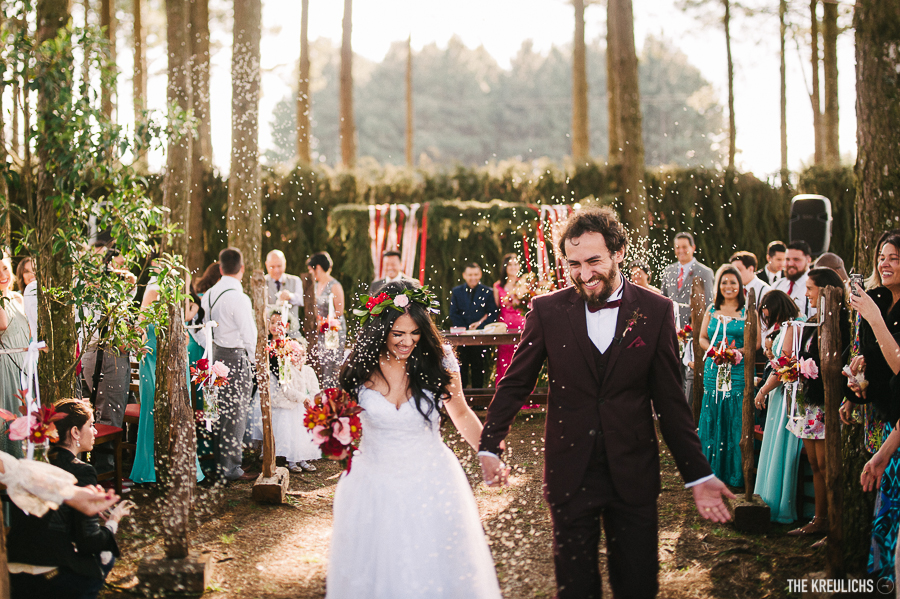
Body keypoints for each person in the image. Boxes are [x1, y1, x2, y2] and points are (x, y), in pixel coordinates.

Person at [478, 207, 733, 599]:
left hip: (633, 472)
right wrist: (489, 444)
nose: (584, 273)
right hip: (569, 471)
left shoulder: (655, 310)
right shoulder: (547, 310)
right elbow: (515, 383)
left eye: (594, 260)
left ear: (619, 253)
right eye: (574, 263)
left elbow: (670, 404)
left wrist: (697, 475)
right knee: (575, 588)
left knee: (637, 584)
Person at [327, 281, 502, 598]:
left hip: (431, 481)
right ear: (381, 328)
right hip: (371, 484)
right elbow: (339, 421)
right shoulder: (358, 365)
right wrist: (333, 435)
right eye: (398, 334)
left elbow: (460, 413)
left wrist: (487, 451)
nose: (407, 341)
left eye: (415, 333)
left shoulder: (439, 360)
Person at [8, 398, 131, 599]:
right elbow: (89, 541)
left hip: (15, 573)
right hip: (51, 579)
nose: (95, 431)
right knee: (105, 556)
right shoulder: (81, 471)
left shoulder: (33, 464)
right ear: (75, 432)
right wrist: (113, 523)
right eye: (91, 425)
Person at [846, 233, 900, 582]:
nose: (885, 263)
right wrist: (856, 382)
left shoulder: (877, 308)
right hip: (888, 423)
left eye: (894, 257)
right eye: (882, 256)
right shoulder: (879, 301)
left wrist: (874, 317)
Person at [784, 268, 851, 540]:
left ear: (825, 290)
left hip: (827, 402)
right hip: (809, 402)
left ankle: (834, 524)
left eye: (810, 288)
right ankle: (819, 518)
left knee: (827, 465)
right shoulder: (813, 320)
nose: (806, 294)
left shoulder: (842, 322)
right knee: (813, 462)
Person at [78, 241, 137, 473]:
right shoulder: (98, 292)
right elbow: (115, 336)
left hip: (101, 354)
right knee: (109, 414)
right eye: (120, 260)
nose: (124, 267)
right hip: (108, 356)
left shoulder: (107, 291)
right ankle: (104, 469)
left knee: (108, 411)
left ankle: (106, 465)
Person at [200, 248, 258, 481]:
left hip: (215, 357)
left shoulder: (209, 294)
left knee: (220, 411)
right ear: (241, 269)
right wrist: (255, 363)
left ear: (221, 269)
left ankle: (221, 463)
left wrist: (211, 350)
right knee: (235, 413)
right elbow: (250, 336)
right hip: (235, 357)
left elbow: (203, 329)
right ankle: (231, 468)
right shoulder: (239, 298)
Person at [753, 290, 803, 523]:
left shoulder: (793, 327)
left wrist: (763, 390)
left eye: (767, 310)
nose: (765, 316)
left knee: (779, 444)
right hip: (781, 394)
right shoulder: (787, 327)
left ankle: (778, 501)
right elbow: (779, 361)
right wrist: (770, 352)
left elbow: (783, 369)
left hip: (785, 397)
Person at [697, 265, 747, 488]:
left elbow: (753, 342)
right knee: (713, 410)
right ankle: (709, 470)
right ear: (719, 286)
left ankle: (734, 472)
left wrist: (735, 353)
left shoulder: (747, 312)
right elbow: (702, 338)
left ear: (740, 286)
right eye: (724, 282)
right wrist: (714, 352)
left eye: (733, 282)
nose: (728, 287)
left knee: (733, 413)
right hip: (713, 367)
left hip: (736, 369)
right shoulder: (711, 309)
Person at [258, 314, 321, 473]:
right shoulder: (286, 370)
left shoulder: (308, 371)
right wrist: (302, 398)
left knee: (304, 434)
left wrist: (313, 402)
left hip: (304, 408)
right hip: (290, 407)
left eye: (300, 355)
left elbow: (314, 389)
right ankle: (292, 461)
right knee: (291, 435)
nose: (297, 358)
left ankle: (304, 459)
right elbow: (286, 389)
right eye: (294, 355)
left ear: (305, 356)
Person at [660, 232, 715, 402]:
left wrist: (695, 328)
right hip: (672, 329)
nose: (681, 251)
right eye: (677, 247)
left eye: (684, 247)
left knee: (690, 373)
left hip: (693, 330)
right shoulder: (668, 271)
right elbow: (663, 299)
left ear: (693, 248)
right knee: (672, 369)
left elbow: (708, 304)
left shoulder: (704, 272)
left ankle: (689, 406)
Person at [449, 262, 499, 389]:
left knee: (479, 366)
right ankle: (463, 396)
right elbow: (453, 313)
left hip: (480, 336)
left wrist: (480, 327)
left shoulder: (488, 292)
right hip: (461, 337)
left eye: (476, 274)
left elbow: (493, 313)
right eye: (470, 274)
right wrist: (465, 329)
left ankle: (479, 399)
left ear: (480, 274)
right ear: (464, 275)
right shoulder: (456, 291)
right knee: (461, 366)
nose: (473, 277)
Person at [0, 255, 28, 458]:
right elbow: (2, 324)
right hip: (4, 367)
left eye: (5, 269)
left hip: (23, 366)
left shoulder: (18, 297)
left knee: (23, 417)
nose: (3, 275)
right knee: (7, 418)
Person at [307, 251, 347, 388]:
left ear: (317, 268)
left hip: (333, 331)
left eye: (310, 269)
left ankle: (333, 393)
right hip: (320, 331)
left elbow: (339, 311)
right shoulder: (316, 285)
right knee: (321, 363)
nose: (310, 273)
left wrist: (324, 322)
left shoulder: (335, 285)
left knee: (332, 364)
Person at [492, 253, 526, 382]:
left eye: (515, 264)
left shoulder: (524, 284)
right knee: (505, 360)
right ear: (505, 267)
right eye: (510, 264)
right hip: (505, 325)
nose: (513, 267)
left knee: (522, 359)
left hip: (522, 324)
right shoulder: (498, 286)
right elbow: (496, 308)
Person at [773, 240, 815, 319]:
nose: (790, 264)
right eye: (787, 259)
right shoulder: (777, 286)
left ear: (808, 260)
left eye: (796, 259)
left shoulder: (815, 287)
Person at [265, 250, 305, 334]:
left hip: (292, 334)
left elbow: (301, 301)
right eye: (272, 266)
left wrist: (290, 296)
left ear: (285, 264)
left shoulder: (295, 280)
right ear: (266, 265)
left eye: (279, 266)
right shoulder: (262, 282)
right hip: (271, 335)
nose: (276, 270)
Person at [15, 257, 37, 340]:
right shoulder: (17, 298)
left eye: (34, 269)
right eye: (26, 271)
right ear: (21, 275)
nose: (32, 273)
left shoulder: (48, 297)